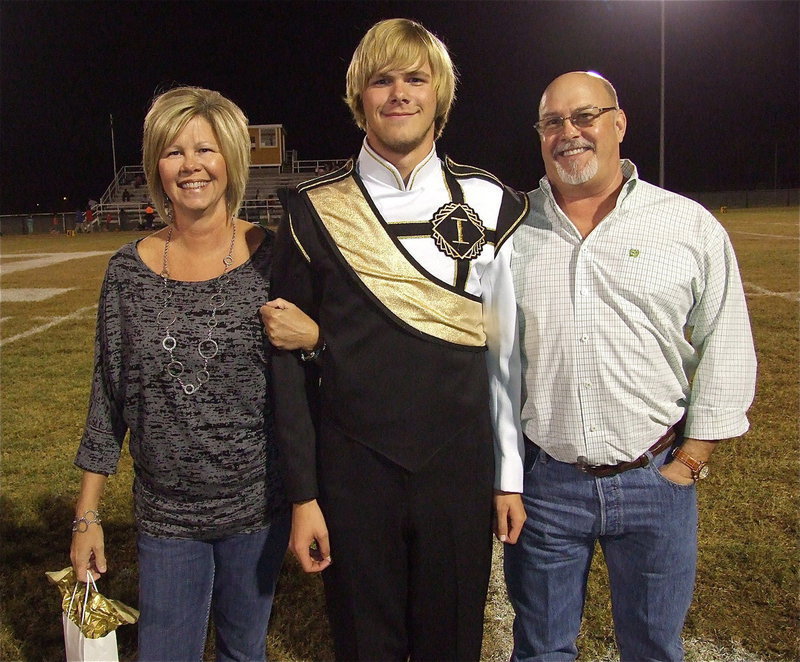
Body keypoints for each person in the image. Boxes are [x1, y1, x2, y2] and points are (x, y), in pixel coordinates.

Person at [264, 18, 528, 661]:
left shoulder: (493, 202)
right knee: (363, 646)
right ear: (360, 99)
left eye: (416, 78)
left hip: (459, 471)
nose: (399, 94)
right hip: (353, 474)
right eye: (382, 81)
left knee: (452, 644)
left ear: (440, 94)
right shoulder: (311, 207)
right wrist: (303, 495)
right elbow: (286, 371)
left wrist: (509, 475)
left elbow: (505, 355)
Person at [504, 71, 757, 662]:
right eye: (553, 122)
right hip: (547, 483)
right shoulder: (511, 229)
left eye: (584, 116)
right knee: (541, 649)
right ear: (540, 135)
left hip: (657, 476)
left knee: (652, 649)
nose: (569, 133)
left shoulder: (686, 224)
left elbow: (726, 338)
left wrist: (692, 460)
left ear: (618, 124)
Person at [69, 86, 316, 662]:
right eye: (174, 151)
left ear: (230, 157)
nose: (191, 166)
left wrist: (317, 338)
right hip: (166, 516)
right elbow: (106, 397)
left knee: (242, 652)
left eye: (205, 149)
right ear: (157, 164)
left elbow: (313, 382)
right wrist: (86, 516)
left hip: (257, 508)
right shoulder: (127, 272)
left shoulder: (277, 260)